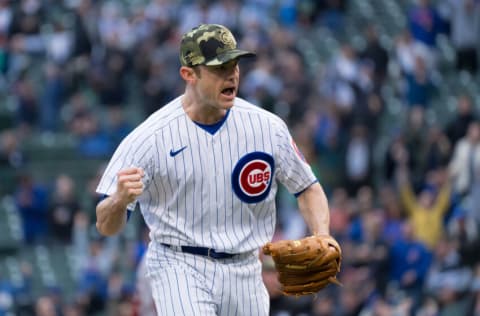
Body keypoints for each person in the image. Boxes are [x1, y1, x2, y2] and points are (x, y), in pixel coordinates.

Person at [95, 23, 333, 315]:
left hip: (246, 268)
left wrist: (322, 233)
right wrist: (119, 201)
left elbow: (307, 187)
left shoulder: (267, 128)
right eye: (219, 68)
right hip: (179, 264)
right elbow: (105, 225)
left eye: (234, 65)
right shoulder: (149, 139)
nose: (231, 74)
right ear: (188, 74)